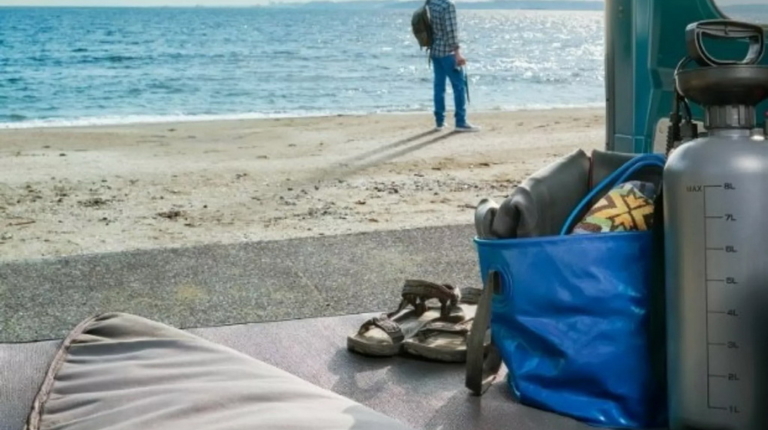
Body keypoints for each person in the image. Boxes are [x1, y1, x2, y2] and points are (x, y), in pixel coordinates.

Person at [427, 0, 479, 132]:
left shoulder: (431, 2)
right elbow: (451, 32)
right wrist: (457, 54)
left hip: (435, 50)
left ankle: (439, 121)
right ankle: (460, 122)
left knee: (439, 87)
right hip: (447, 52)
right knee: (459, 86)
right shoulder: (448, 5)